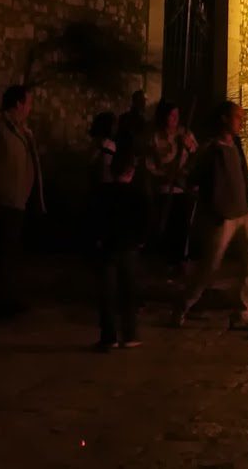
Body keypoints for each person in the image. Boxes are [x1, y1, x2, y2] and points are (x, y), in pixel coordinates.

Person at [176, 101, 248, 330]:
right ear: (224, 118)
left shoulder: (237, 144)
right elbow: (191, 177)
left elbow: (242, 173)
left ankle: (243, 314)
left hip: (244, 212)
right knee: (210, 266)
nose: (241, 122)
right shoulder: (211, 148)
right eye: (237, 117)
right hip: (223, 215)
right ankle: (185, 304)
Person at [0, 85, 43, 318]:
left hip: (16, 201)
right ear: (18, 104)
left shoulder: (19, 131)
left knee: (10, 254)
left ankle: (5, 298)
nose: (29, 108)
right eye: (28, 103)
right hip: (3, 201)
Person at [90, 148, 145, 350]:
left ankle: (109, 336)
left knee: (108, 294)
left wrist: (97, 240)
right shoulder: (138, 194)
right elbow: (145, 221)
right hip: (129, 249)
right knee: (129, 293)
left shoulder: (102, 193)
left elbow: (93, 220)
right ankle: (130, 334)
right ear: (131, 171)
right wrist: (141, 240)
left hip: (107, 249)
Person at [145, 100, 197, 266]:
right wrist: (164, 174)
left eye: (177, 115)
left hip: (181, 188)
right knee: (163, 224)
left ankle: (180, 260)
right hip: (162, 187)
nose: (175, 119)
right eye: (171, 115)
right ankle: (162, 260)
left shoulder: (185, 134)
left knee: (181, 225)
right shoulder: (155, 137)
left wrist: (185, 172)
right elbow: (150, 163)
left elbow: (196, 156)